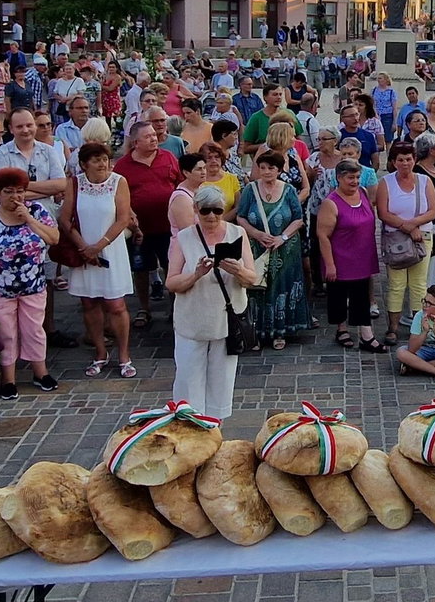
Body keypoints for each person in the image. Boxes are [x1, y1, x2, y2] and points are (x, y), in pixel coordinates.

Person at [0, 166, 65, 398]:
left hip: (32, 284)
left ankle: (40, 372)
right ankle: (8, 378)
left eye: (20, 191)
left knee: (34, 329)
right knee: (6, 333)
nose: (15, 197)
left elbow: (54, 238)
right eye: (9, 192)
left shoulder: (37, 210)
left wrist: (29, 219)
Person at [166, 184, 259, 417]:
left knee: (222, 381)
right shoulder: (184, 238)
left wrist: (238, 270)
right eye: (205, 210)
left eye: (217, 210)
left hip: (227, 321)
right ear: (196, 209)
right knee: (189, 379)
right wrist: (196, 274)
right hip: (193, 320)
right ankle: (190, 425)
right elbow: (171, 283)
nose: (211, 216)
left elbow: (252, 278)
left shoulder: (237, 234)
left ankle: (215, 428)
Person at [56, 141, 135, 378]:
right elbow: (65, 218)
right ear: (84, 164)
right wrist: (83, 247)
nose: (103, 164)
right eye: (97, 160)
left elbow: (123, 219)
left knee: (116, 305)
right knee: (89, 303)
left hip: (111, 249)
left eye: (105, 159)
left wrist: (99, 247)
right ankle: (100, 352)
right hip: (83, 251)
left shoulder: (118, 182)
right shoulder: (75, 183)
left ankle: (124, 354)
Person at [237, 149, 311, 349]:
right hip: (257, 248)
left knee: (281, 287)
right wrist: (256, 233)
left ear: (279, 170)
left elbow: (298, 218)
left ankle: (281, 332)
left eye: (271, 168)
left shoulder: (288, 191)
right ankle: (256, 332)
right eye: (262, 168)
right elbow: (241, 216)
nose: (266, 172)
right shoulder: (250, 190)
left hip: (285, 250)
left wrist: (283, 237)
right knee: (257, 289)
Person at [317, 159, 387, 350]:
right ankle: (342, 329)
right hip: (340, 258)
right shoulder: (330, 203)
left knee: (362, 295)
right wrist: (330, 264)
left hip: (362, 256)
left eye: (357, 177)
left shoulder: (363, 193)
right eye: (350, 178)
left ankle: (366, 334)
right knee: (338, 295)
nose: (355, 181)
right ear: (339, 178)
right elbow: (323, 235)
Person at [118, 119, 182, 325]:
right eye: (148, 136)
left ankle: (175, 307)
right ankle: (144, 309)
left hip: (168, 226)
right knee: (141, 269)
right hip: (139, 229)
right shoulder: (123, 166)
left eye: (154, 135)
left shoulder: (169, 157)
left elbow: (180, 185)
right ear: (135, 142)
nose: (154, 138)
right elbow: (118, 196)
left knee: (171, 265)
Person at [374, 143, 435, 328]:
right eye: (400, 160)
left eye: (408, 159)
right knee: (396, 284)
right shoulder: (386, 182)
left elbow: (433, 211)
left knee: (419, 284)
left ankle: (419, 327)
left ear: (414, 159)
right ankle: (393, 327)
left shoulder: (425, 181)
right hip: (395, 239)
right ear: (393, 162)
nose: (405, 163)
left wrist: (415, 224)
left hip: (422, 237)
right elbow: (383, 213)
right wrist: (407, 227)